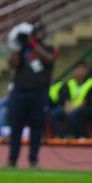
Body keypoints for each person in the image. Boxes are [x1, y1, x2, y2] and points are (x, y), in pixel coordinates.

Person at [6, 21, 56, 168]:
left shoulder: (48, 48)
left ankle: (33, 160)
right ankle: (12, 160)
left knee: (36, 128)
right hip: (19, 92)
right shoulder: (22, 49)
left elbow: (49, 59)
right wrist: (17, 47)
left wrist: (32, 44)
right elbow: (12, 64)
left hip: (38, 93)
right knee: (16, 127)